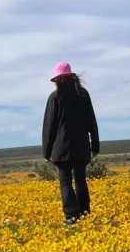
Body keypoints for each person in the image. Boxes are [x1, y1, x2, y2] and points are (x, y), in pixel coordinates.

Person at [42, 62, 100, 225]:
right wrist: (95, 145)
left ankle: (71, 217)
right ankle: (85, 213)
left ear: (57, 80)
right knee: (80, 179)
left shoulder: (55, 97)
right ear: (72, 77)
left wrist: (47, 151)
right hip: (82, 147)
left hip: (61, 149)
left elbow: (49, 126)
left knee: (66, 181)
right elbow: (91, 120)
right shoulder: (83, 94)